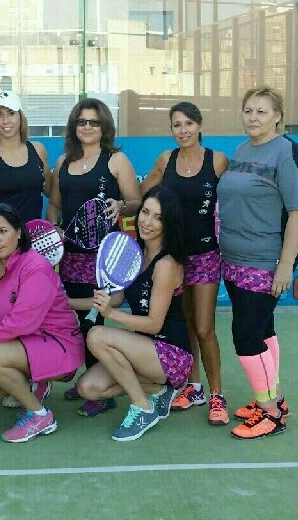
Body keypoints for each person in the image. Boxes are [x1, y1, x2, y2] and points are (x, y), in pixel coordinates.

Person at [0, 203, 84, 443]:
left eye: (3, 231)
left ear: (19, 232)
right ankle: (31, 384)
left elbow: (19, 323)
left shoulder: (35, 267)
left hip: (56, 344)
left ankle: (39, 415)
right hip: (21, 342)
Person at [217, 86, 298, 440]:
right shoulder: (243, 149)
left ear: (277, 116)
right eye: (248, 111)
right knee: (263, 330)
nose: (253, 117)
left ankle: (270, 413)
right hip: (234, 259)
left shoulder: (286, 152)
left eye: (261, 111)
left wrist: (285, 266)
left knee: (246, 335)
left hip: (265, 261)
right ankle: (274, 399)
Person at [46, 97, 141, 417]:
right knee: (77, 322)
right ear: (74, 126)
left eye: (94, 122)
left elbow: (136, 201)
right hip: (69, 257)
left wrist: (122, 206)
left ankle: (100, 392)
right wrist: (53, 230)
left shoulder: (116, 160)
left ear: (104, 127)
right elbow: (55, 204)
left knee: (95, 321)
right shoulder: (63, 162)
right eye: (82, 122)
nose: (87, 127)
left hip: (104, 260)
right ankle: (91, 381)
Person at [77, 185, 193, 441]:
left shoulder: (166, 264)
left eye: (158, 217)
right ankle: (160, 391)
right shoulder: (135, 253)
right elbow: (116, 298)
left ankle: (142, 407)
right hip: (144, 349)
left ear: (169, 223)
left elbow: (153, 324)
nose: (147, 222)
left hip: (171, 354)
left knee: (96, 335)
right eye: (145, 212)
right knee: (88, 388)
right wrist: (65, 302)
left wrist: (110, 314)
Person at [140, 102, 230, 425]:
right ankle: (195, 388)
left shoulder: (218, 161)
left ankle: (217, 394)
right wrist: (123, 205)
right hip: (174, 258)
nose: (183, 130)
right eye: (176, 125)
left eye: (188, 124)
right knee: (188, 324)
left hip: (206, 256)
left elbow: (237, 199)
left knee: (205, 328)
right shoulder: (166, 160)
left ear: (200, 125)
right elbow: (144, 195)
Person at [0, 90, 52, 257]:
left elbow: (51, 191)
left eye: (11, 113)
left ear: (20, 117)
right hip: (0, 250)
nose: (6, 120)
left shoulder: (38, 150)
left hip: (34, 247)